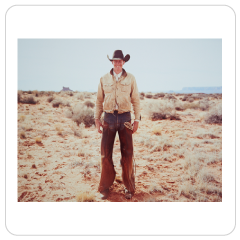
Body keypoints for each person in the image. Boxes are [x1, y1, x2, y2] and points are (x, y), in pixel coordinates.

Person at [94, 50, 141, 200]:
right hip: (108, 118)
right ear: (112, 62)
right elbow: (99, 101)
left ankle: (129, 187)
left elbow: (136, 100)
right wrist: (97, 119)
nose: (118, 63)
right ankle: (105, 187)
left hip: (125, 119)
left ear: (124, 62)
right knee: (105, 154)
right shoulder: (104, 78)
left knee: (127, 154)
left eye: (120, 61)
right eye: (115, 61)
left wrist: (137, 119)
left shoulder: (131, 78)